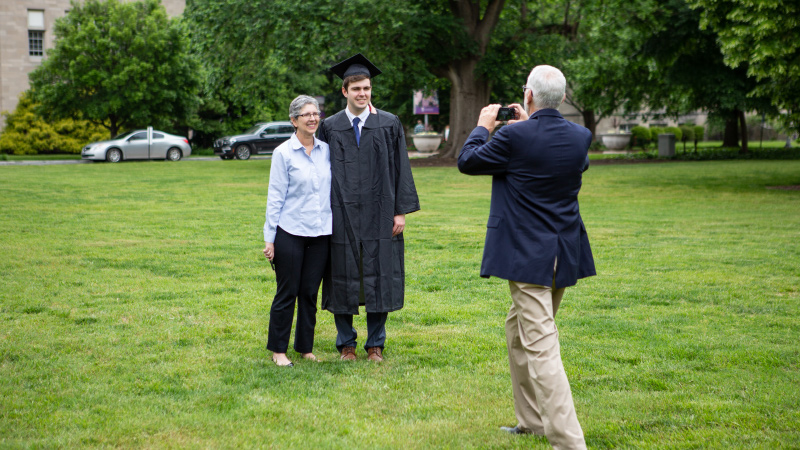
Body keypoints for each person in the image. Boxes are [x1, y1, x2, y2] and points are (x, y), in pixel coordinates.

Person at [457, 65, 595, 449]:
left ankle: (569, 442)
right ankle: (532, 422)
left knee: (541, 347)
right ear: (563, 98)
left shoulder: (514, 137)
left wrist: (485, 125)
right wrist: (526, 124)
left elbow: (468, 161)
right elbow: (567, 161)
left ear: (528, 96)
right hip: (563, 255)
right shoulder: (580, 136)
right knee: (518, 334)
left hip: (528, 259)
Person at [318, 53, 420, 362]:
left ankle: (376, 343)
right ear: (344, 92)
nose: (362, 94)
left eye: (367, 88)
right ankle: (346, 343)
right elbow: (320, 174)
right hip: (341, 213)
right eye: (356, 89)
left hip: (380, 212)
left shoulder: (388, 124)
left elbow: (401, 168)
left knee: (380, 272)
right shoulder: (330, 127)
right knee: (341, 272)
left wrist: (400, 211)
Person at [263, 95, 331, 367]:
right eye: (306, 115)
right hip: (290, 231)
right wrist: (270, 239)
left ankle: (305, 348)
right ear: (294, 121)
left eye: (316, 113)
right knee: (287, 292)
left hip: (321, 233)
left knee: (309, 293)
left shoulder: (327, 150)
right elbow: (275, 197)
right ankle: (278, 350)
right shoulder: (283, 153)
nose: (313, 118)